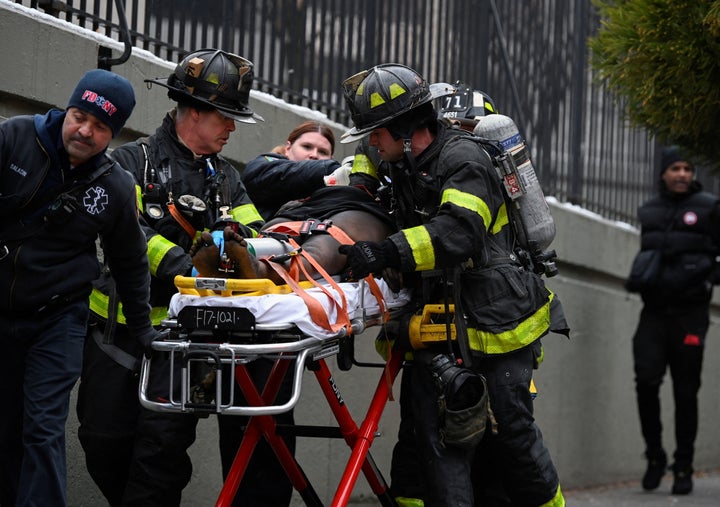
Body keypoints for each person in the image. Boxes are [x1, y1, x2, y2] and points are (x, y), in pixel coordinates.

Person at [337, 64, 567, 506]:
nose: (372, 144)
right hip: (437, 321)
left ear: (404, 130)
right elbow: (367, 178)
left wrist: (388, 251)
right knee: (433, 442)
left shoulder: (463, 159)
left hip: (496, 321)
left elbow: (458, 234)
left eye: (377, 134)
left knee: (512, 437)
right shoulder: (404, 163)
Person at [74, 49, 280, 507]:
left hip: (186, 340)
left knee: (162, 455)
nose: (231, 128)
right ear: (195, 111)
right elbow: (127, 230)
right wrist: (185, 267)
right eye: (225, 117)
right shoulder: (130, 162)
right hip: (119, 332)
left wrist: (238, 240)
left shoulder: (227, 179)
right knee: (101, 438)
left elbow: (254, 235)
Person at [0, 69, 157, 507]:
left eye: (101, 126)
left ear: (114, 133)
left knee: (43, 428)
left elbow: (130, 261)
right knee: (4, 428)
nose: (85, 131)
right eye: (78, 116)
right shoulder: (12, 138)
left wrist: (143, 328)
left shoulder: (115, 186)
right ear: (66, 109)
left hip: (58, 317)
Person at [626, 145, 720, 495]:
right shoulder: (649, 210)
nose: (682, 174)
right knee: (645, 382)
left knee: (686, 392)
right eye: (675, 168)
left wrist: (708, 276)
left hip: (690, 315)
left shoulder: (710, 208)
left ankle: (684, 465)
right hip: (653, 313)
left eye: (687, 168)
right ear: (663, 173)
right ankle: (655, 456)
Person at [242, 119, 353, 220]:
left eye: (322, 152)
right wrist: (329, 168)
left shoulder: (333, 193)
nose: (314, 155)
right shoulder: (265, 164)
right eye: (307, 147)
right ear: (288, 148)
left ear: (331, 158)